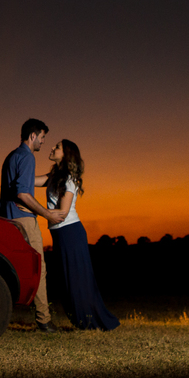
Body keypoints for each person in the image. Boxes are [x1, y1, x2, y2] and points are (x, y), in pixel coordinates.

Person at [37, 139, 120, 330]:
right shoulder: (54, 176)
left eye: (56, 147)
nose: (51, 148)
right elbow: (30, 180)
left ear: (66, 154)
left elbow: (63, 213)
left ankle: (91, 321)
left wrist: (35, 209)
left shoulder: (69, 179)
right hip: (59, 235)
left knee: (77, 279)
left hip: (71, 233)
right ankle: (82, 320)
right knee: (66, 280)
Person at [0, 118, 66, 333]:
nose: (43, 142)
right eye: (43, 137)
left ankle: (0, 315)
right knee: (39, 268)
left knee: (10, 268)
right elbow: (22, 193)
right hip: (24, 220)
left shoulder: (12, 156)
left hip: (6, 218)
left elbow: (20, 187)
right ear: (33, 136)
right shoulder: (27, 157)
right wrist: (47, 214)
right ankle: (44, 320)